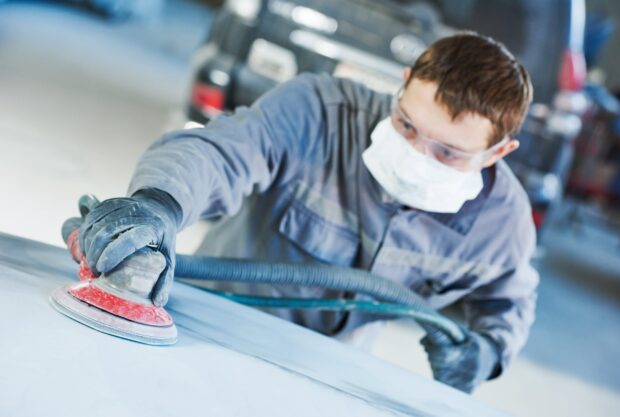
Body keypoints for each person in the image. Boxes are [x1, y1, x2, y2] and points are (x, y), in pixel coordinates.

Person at [78, 32, 538, 393]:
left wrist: (488, 351)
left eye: (448, 153)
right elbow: (221, 152)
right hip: (204, 324)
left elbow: (509, 301)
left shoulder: (502, 223)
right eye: (407, 125)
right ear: (402, 85)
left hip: (330, 372)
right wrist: (159, 203)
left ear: (498, 152)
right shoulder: (318, 111)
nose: (416, 156)